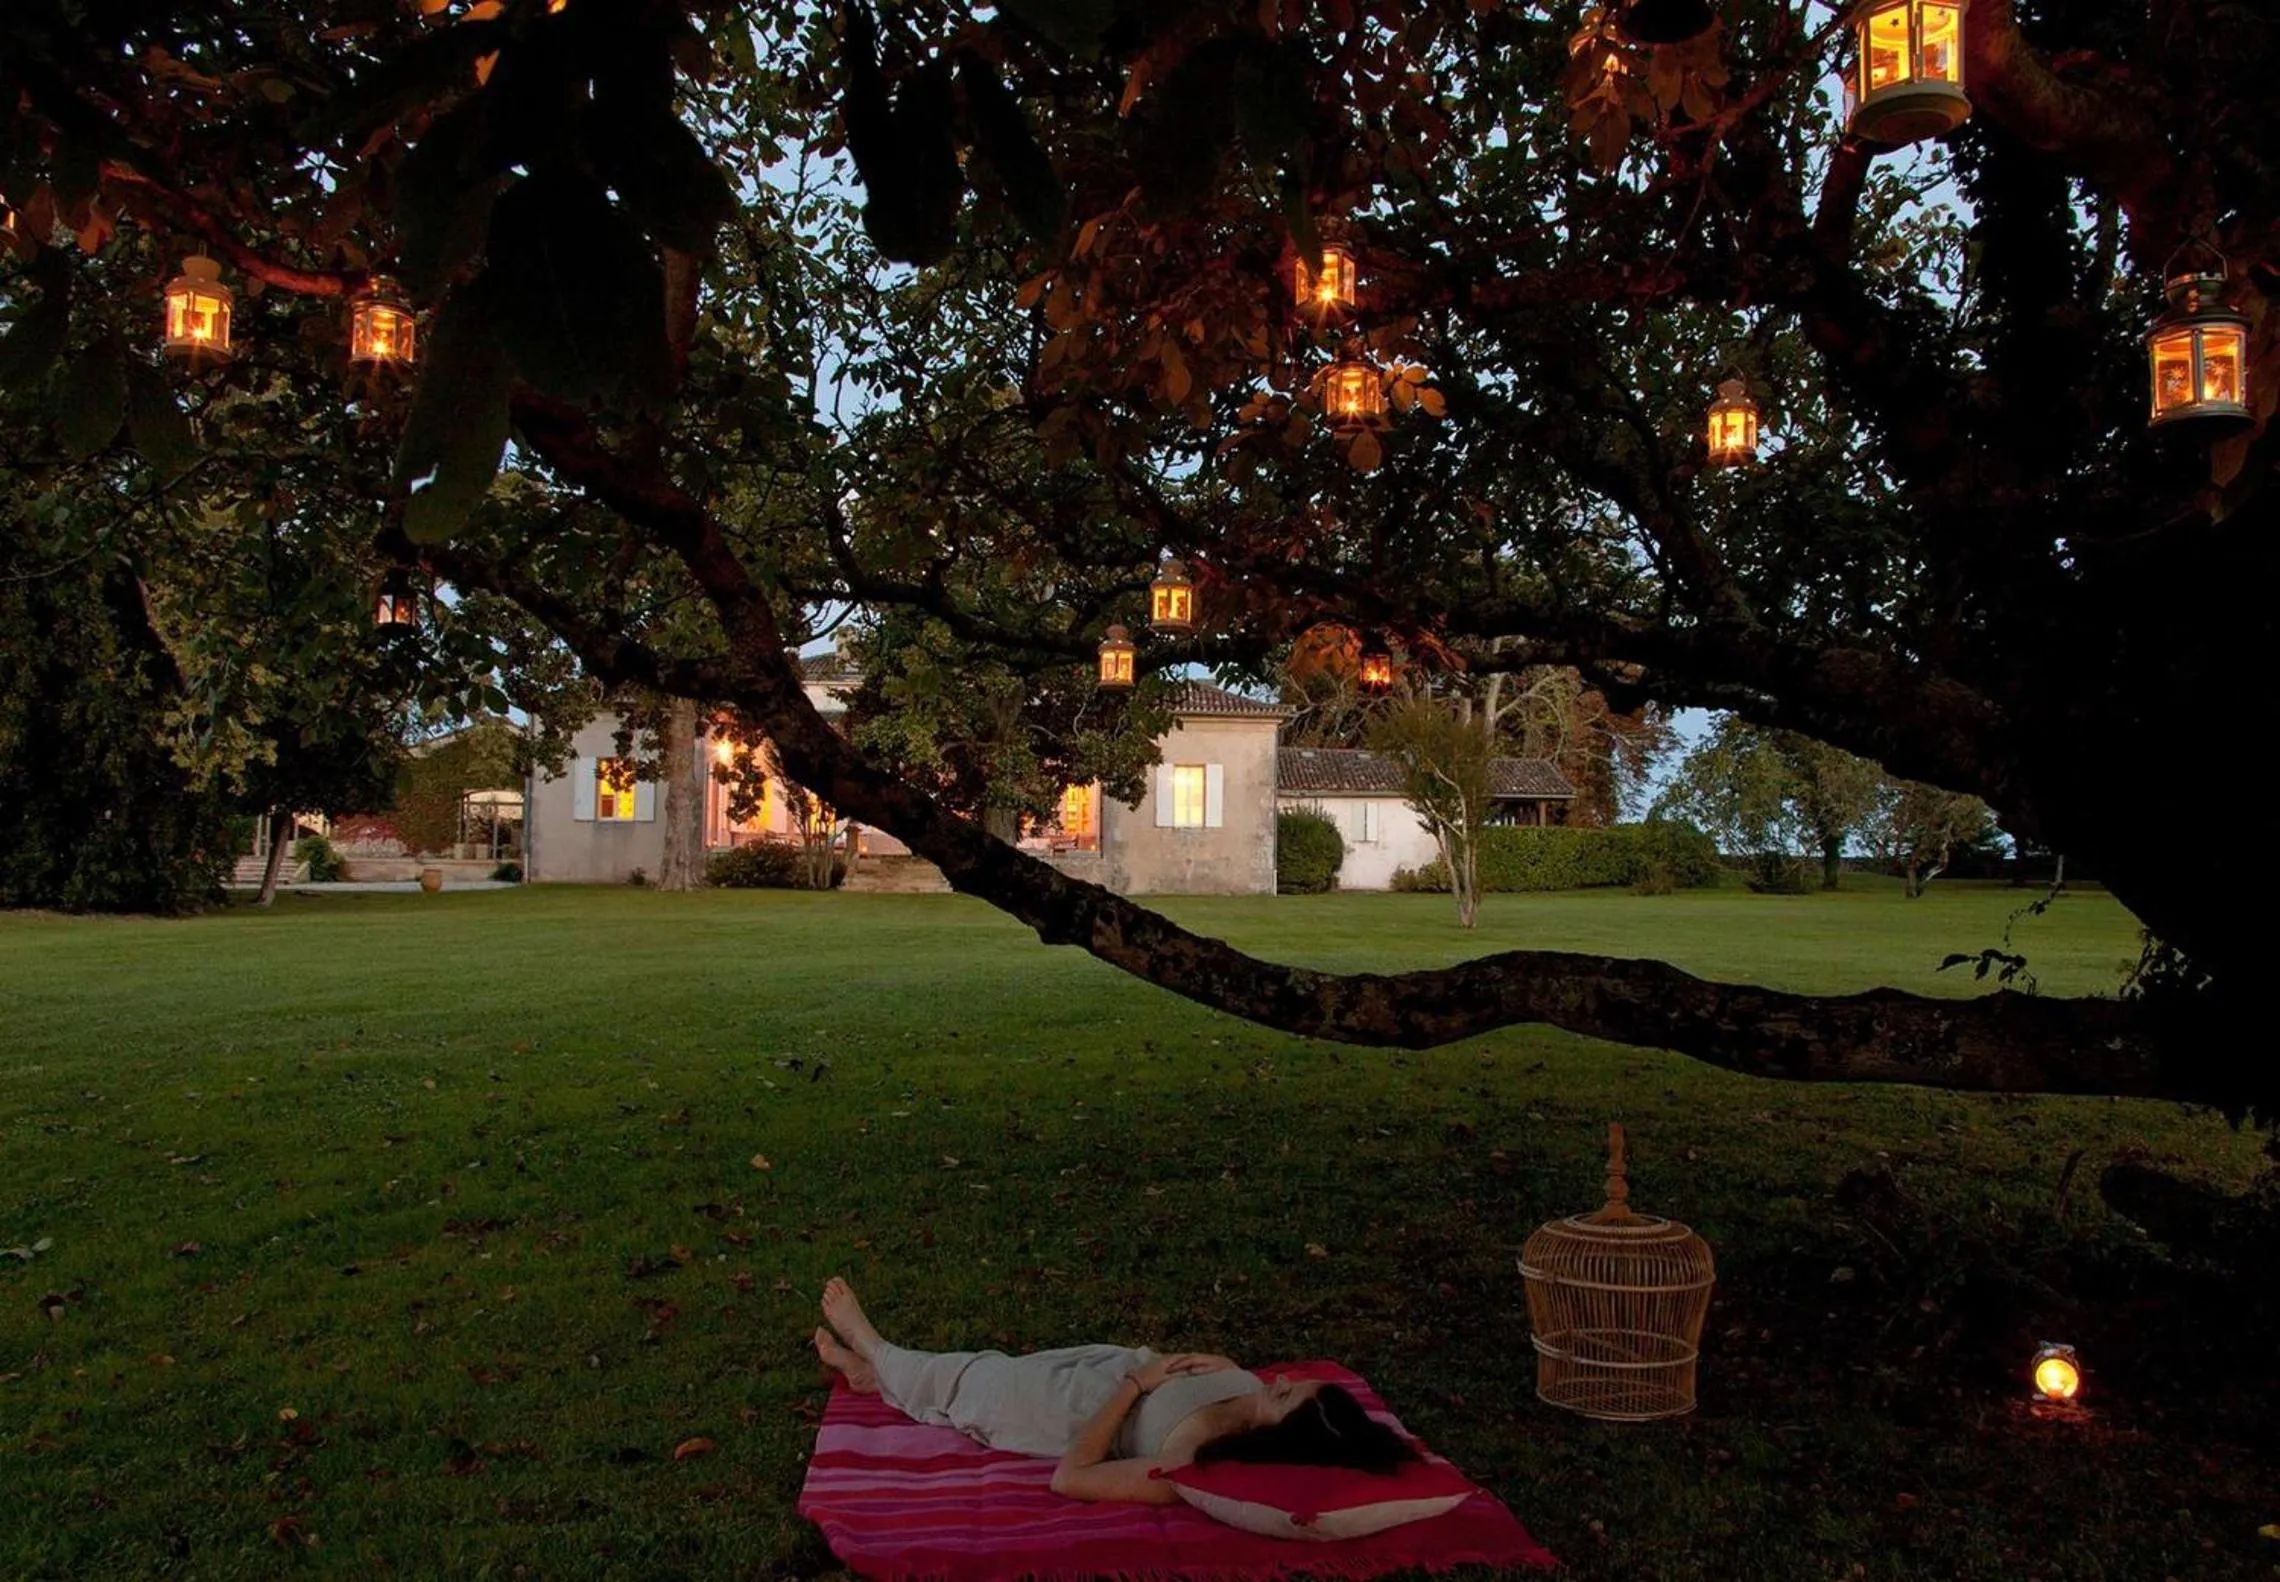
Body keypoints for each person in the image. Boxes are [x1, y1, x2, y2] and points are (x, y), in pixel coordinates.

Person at [812, 1276, 1415, 1504]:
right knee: (981, 1367)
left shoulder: (1192, 1466)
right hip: (1099, 1366)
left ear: (1280, 1439)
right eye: (1290, 1382)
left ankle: (874, 1348)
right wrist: (1226, 1368)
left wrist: (1134, 1386)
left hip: (1070, 1412)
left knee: (967, 1381)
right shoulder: (1255, 1396)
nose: (1278, 1381)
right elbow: (1240, 1386)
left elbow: (1072, 1477)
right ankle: (873, 1374)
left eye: (1285, 1396)